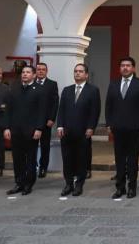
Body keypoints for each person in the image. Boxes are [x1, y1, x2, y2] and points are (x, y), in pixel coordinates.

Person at [105, 57, 139, 199]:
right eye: (122, 65)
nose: (125, 68)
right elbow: (109, 106)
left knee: (132, 159)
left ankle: (132, 187)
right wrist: (108, 124)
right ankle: (120, 188)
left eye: (128, 65)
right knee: (119, 159)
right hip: (118, 128)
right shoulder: (113, 84)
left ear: (133, 68)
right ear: (120, 68)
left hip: (135, 128)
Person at [56, 63, 101, 197]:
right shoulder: (67, 90)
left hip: (83, 131)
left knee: (81, 159)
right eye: (75, 71)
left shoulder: (93, 90)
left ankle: (79, 185)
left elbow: (95, 111)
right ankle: (68, 184)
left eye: (80, 71)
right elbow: (61, 109)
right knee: (67, 158)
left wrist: (91, 127)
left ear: (86, 75)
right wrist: (60, 125)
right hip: (67, 131)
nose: (77, 73)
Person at [3, 65, 48, 196]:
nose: (25, 74)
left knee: (30, 158)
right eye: (23, 72)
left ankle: (29, 184)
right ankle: (19, 182)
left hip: (31, 131)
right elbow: (8, 110)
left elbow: (42, 112)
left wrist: (39, 128)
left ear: (34, 75)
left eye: (28, 72)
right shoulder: (14, 89)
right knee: (17, 158)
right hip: (15, 130)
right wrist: (6, 127)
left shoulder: (39, 90)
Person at [34, 63, 60, 178]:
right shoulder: (31, 83)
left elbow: (55, 103)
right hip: (31, 121)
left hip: (46, 121)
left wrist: (51, 118)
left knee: (45, 146)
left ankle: (43, 167)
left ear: (46, 71)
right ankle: (32, 166)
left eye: (43, 70)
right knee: (31, 145)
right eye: (38, 69)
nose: (40, 71)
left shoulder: (52, 84)